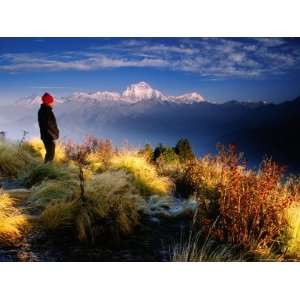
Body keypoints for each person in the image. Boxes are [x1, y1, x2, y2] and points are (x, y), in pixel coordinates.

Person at [38, 92, 59, 163]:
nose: (53, 103)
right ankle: (46, 169)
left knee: (49, 153)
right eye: (52, 101)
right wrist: (56, 135)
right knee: (50, 154)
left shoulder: (41, 110)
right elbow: (51, 125)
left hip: (45, 135)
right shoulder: (48, 112)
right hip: (49, 136)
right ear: (48, 102)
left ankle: (46, 168)